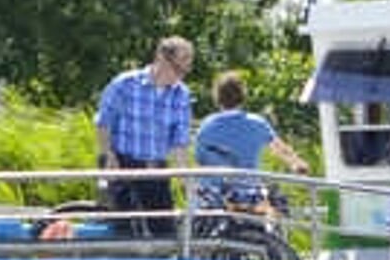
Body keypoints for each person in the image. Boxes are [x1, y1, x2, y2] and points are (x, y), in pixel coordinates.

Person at [95, 36, 195, 234]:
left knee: (166, 232)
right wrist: (108, 153)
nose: (180, 76)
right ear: (161, 59)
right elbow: (103, 122)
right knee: (126, 229)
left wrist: (186, 179)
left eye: (185, 71)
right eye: (178, 69)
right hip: (122, 164)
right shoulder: (125, 84)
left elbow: (179, 143)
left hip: (156, 169)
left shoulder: (181, 94)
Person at [192, 71, 309, 207]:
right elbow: (280, 149)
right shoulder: (257, 123)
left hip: (214, 199)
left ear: (217, 97)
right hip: (247, 198)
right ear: (243, 95)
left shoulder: (207, 126)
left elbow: (199, 158)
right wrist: (297, 163)